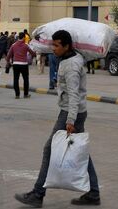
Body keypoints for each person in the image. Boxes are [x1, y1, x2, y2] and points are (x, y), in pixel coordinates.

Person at [15, 29, 101, 207]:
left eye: (56, 45)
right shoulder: (70, 58)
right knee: (80, 151)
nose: (53, 48)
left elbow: (73, 95)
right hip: (75, 111)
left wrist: (70, 120)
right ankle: (93, 193)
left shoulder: (71, 65)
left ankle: (38, 194)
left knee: (49, 149)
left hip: (71, 112)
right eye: (52, 44)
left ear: (66, 46)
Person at [7, 32, 37, 99]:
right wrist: (35, 52)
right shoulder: (26, 45)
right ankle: (26, 94)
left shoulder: (13, 45)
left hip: (15, 64)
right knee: (25, 79)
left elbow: (8, 55)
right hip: (24, 64)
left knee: (16, 79)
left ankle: (17, 95)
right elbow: (32, 53)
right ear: (23, 37)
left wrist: (8, 62)